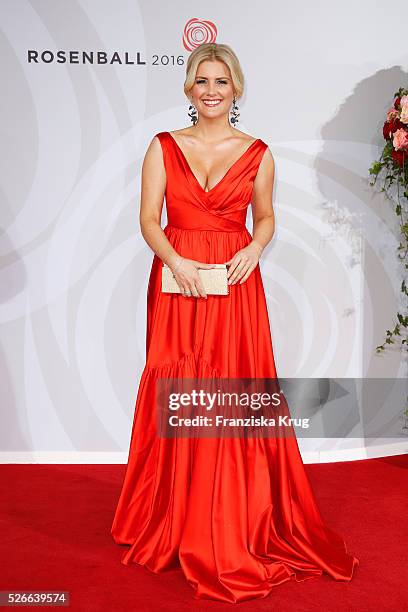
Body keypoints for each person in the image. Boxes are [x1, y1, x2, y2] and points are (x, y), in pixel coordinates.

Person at [111, 42, 359, 604]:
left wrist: (256, 246)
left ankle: (226, 513)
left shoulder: (259, 153)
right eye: (202, 81)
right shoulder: (162, 148)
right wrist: (175, 261)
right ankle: (170, 514)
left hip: (234, 281)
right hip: (177, 280)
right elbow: (149, 220)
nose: (212, 91)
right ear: (189, 89)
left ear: (237, 89)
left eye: (221, 81)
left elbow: (266, 215)